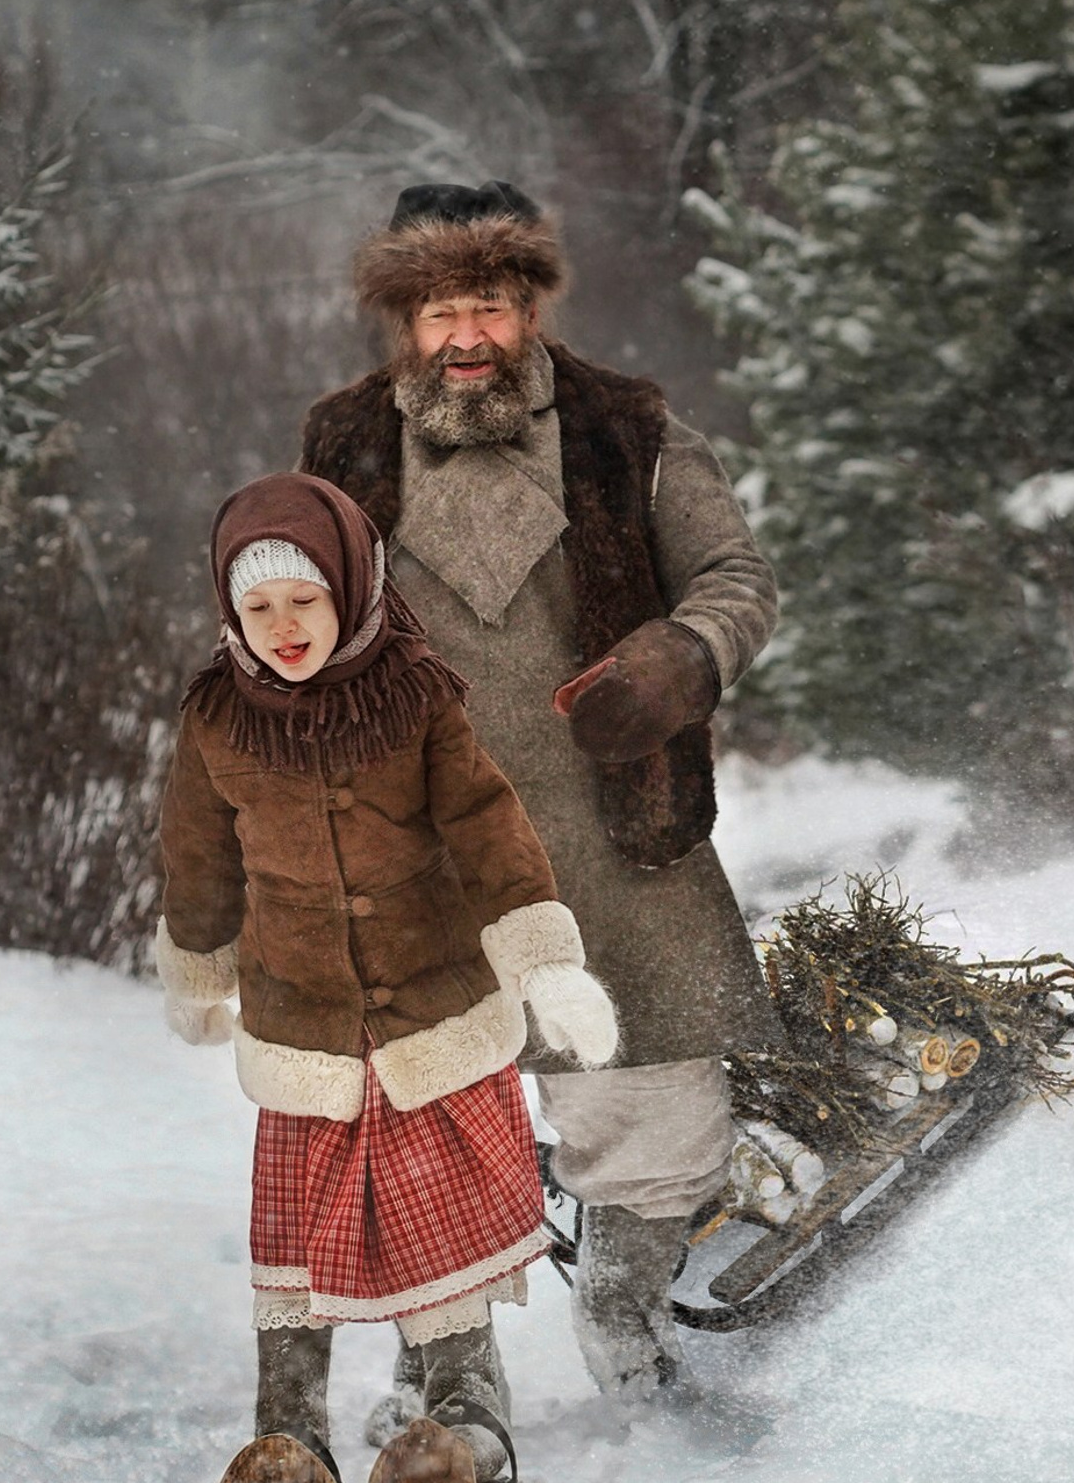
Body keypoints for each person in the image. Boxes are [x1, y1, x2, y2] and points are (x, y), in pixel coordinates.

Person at [298, 180, 783, 1420]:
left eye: (494, 310)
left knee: (656, 1112)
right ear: (403, 322)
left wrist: (684, 657)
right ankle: (447, 1394)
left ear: (531, 308)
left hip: (618, 827)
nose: (468, 339)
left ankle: (626, 1323)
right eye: (441, 311)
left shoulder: (633, 428)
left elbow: (733, 575)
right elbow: (291, 615)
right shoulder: (341, 444)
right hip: (422, 843)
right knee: (421, 1121)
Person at [155, 470, 618, 1482]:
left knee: (437, 1235)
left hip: (433, 1018)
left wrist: (544, 962)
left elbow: (489, 827)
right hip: (304, 1033)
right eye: (259, 605)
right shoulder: (217, 722)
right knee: (300, 1246)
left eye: (304, 599)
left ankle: (464, 1429)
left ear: (350, 588)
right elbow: (197, 855)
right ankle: (288, 1435)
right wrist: (197, 967)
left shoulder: (416, 698)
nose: (284, 625)